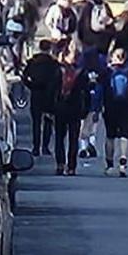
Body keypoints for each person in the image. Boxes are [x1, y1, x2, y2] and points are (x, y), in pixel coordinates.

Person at [100, 48, 128, 176]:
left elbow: (99, 88)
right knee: (125, 136)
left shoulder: (107, 71)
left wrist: (98, 106)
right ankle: (123, 163)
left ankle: (109, 165)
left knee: (110, 136)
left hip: (110, 107)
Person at [51, 46, 91, 176]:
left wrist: (49, 108)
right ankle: (71, 166)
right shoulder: (81, 73)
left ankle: (60, 164)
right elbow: (86, 93)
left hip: (60, 108)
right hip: (75, 108)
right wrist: (86, 109)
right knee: (73, 138)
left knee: (59, 138)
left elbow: (51, 91)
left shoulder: (57, 70)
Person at [22, 39, 61, 156]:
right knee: (48, 121)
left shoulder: (33, 62)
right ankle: (45, 146)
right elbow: (58, 80)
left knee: (36, 122)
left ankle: (35, 147)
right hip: (49, 94)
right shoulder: (53, 64)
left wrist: (31, 86)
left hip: (36, 94)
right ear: (49, 49)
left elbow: (25, 77)